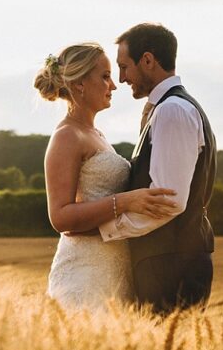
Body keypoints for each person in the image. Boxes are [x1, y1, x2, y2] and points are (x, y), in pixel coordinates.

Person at [35, 42, 178, 310]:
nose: (113, 85)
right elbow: (60, 216)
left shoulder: (95, 135)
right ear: (79, 84)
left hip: (115, 271)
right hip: (86, 274)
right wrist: (125, 202)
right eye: (105, 76)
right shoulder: (67, 136)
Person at [100, 23, 217, 314]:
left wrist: (104, 229)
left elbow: (168, 202)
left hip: (171, 264)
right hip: (168, 260)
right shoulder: (168, 108)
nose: (122, 78)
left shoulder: (172, 110)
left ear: (148, 60)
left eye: (124, 67)